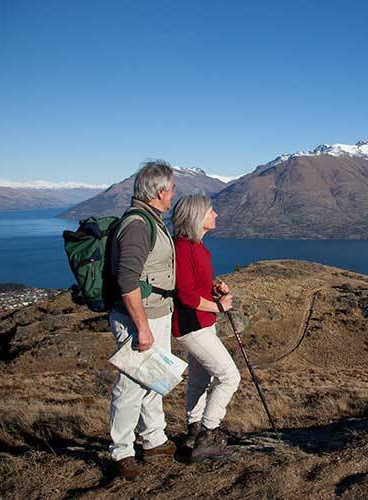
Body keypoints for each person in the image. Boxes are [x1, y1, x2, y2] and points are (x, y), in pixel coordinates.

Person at [108, 160, 177, 479]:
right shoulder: (137, 224)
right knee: (132, 383)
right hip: (140, 318)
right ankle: (121, 452)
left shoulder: (152, 219)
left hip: (157, 312)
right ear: (160, 191)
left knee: (153, 378)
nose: (174, 194)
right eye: (172, 188)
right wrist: (142, 327)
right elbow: (126, 280)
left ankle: (153, 440)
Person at [171, 194, 241, 461]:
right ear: (197, 216)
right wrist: (218, 306)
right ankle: (208, 435)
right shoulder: (184, 248)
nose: (217, 215)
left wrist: (213, 290)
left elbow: (195, 287)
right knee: (229, 377)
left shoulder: (197, 247)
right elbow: (185, 295)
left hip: (201, 323)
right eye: (211, 211)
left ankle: (194, 428)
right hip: (192, 325)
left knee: (200, 380)